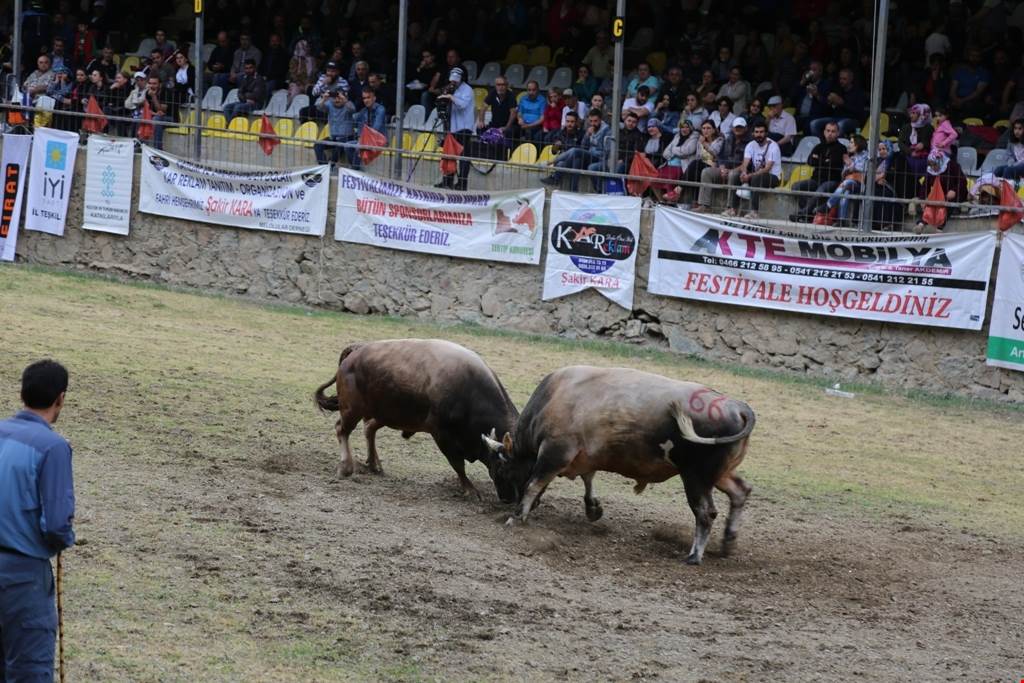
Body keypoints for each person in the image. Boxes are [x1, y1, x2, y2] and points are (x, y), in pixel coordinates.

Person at [0, 360, 76, 683]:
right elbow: (57, 526)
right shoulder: (53, 447)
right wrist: (64, 539)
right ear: (60, 398)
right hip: (22, 579)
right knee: (28, 672)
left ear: (22, 393)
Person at [789, 121, 847, 222]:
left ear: (838, 133)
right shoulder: (819, 146)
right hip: (815, 179)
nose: (830, 134)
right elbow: (810, 161)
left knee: (820, 191)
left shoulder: (841, 148)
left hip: (832, 181)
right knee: (796, 187)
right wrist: (825, 161)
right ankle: (809, 215)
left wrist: (819, 160)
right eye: (828, 131)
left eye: (833, 131)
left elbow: (833, 164)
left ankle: (802, 214)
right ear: (824, 132)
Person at [541, 108, 609, 191]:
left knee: (574, 151)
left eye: (595, 121)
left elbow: (584, 148)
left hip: (597, 157)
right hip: (575, 160)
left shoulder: (601, 131)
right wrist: (556, 146)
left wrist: (587, 136)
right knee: (575, 160)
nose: (593, 124)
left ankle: (551, 165)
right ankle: (573, 190)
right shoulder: (561, 133)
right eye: (591, 121)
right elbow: (554, 151)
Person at [724, 122, 782, 219]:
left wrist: (750, 176)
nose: (759, 134)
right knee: (735, 175)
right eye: (756, 132)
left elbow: (767, 168)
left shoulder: (773, 146)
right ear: (753, 133)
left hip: (773, 177)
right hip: (757, 175)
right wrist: (743, 173)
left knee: (756, 178)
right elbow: (745, 163)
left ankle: (754, 212)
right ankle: (732, 209)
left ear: (766, 133)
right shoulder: (750, 145)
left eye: (761, 132)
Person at [694, 117, 751, 212]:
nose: (738, 129)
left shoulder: (750, 143)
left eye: (741, 127)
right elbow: (720, 157)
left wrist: (731, 171)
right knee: (706, 172)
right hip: (725, 169)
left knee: (732, 174)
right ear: (732, 128)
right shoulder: (728, 139)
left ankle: (730, 208)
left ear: (745, 128)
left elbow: (747, 163)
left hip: (740, 171)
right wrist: (722, 168)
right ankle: (704, 205)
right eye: (736, 127)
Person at [436, 66, 475, 191]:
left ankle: (462, 183)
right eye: (452, 80)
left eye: (455, 81)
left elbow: (462, 105)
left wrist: (451, 97)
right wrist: (444, 96)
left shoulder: (467, 90)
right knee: (449, 154)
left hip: (464, 127)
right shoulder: (451, 89)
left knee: (463, 157)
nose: (453, 83)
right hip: (452, 126)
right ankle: (447, 181)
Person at [820, 135, 869, 226]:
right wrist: (850, 167)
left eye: (851, 142)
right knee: (845, 191)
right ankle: (841, 220)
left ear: (858, 144)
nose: (849, 145)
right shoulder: (852, 157)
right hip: (849, 183)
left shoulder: (865, 155)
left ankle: (828, 205)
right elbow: (843, 174)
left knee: (847, 183)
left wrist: (850, 165)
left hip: (861, 185)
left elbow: (863, 169)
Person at [809, 68, 865, 137]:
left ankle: (835, 143)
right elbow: (827, 104)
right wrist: (817, 95)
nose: (841, 81)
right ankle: (821, 143)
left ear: (851, 79)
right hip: (835, 118)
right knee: (814, 123)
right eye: (840, 78)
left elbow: (859, 112)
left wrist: (842, 103)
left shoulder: (858, 92)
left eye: (844, 79)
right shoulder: (838, 89)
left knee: (840, 125)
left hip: (852, 120)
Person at [314, 87, 355, 165]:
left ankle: (331, 165)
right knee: (317, 145)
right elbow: (318, 107)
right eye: (335, 98)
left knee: (340, 145)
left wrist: (344, 98)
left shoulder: (347, 105)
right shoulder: (330, 104)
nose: (337, 100)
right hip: (333, 138)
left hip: (347, 138)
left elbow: (353, 109)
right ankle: (324, 166)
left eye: (339, 98)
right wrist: (324, 99)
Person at [949, 46, 990, 121]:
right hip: (958, 98)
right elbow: (952, 89)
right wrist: (956, 100)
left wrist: (962, 101)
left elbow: (978, 92)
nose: (974, 58)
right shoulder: (960, 71)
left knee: (969, 106)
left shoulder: (984, 73)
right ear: (968, 57)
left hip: (973, 100)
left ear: (980, 58)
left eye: (977, 56)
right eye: (972, 56)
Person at [351, 87, 386, 169]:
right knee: (347, 146)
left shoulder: (380, 109)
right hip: (366, 140)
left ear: (374, 98)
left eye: (368, 97)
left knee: (357, 147)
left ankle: (354, 169)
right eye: (364, 98)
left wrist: (362, 140)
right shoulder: (363, 111)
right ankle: (355, 169)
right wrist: (345, 102)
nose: (366, 100)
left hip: (379, 140)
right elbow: (353, 118)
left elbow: (375, 129)